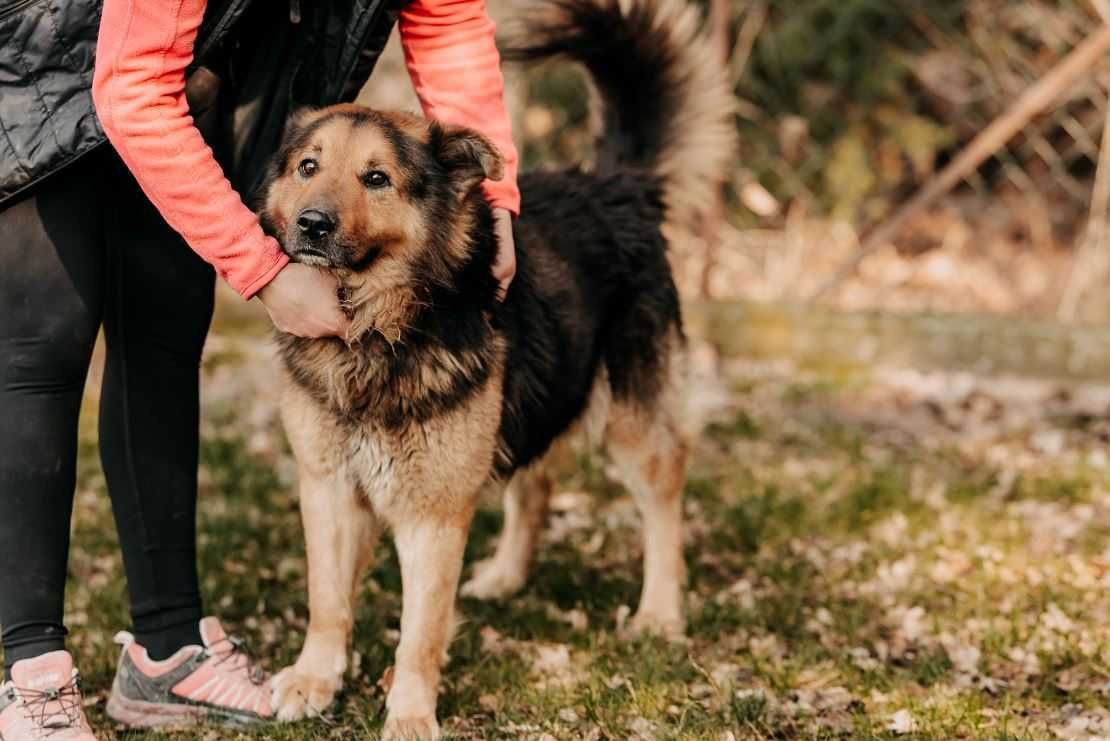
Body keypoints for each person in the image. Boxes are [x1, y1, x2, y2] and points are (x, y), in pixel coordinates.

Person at [0, 0, 519, 736]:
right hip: (40, 58)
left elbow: (447, 18)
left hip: (186, 79)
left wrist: (495, 201)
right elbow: (129, 88)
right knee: (41, 349)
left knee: (163, 333)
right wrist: (267, 271)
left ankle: (167, 649)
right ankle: (32, 675)